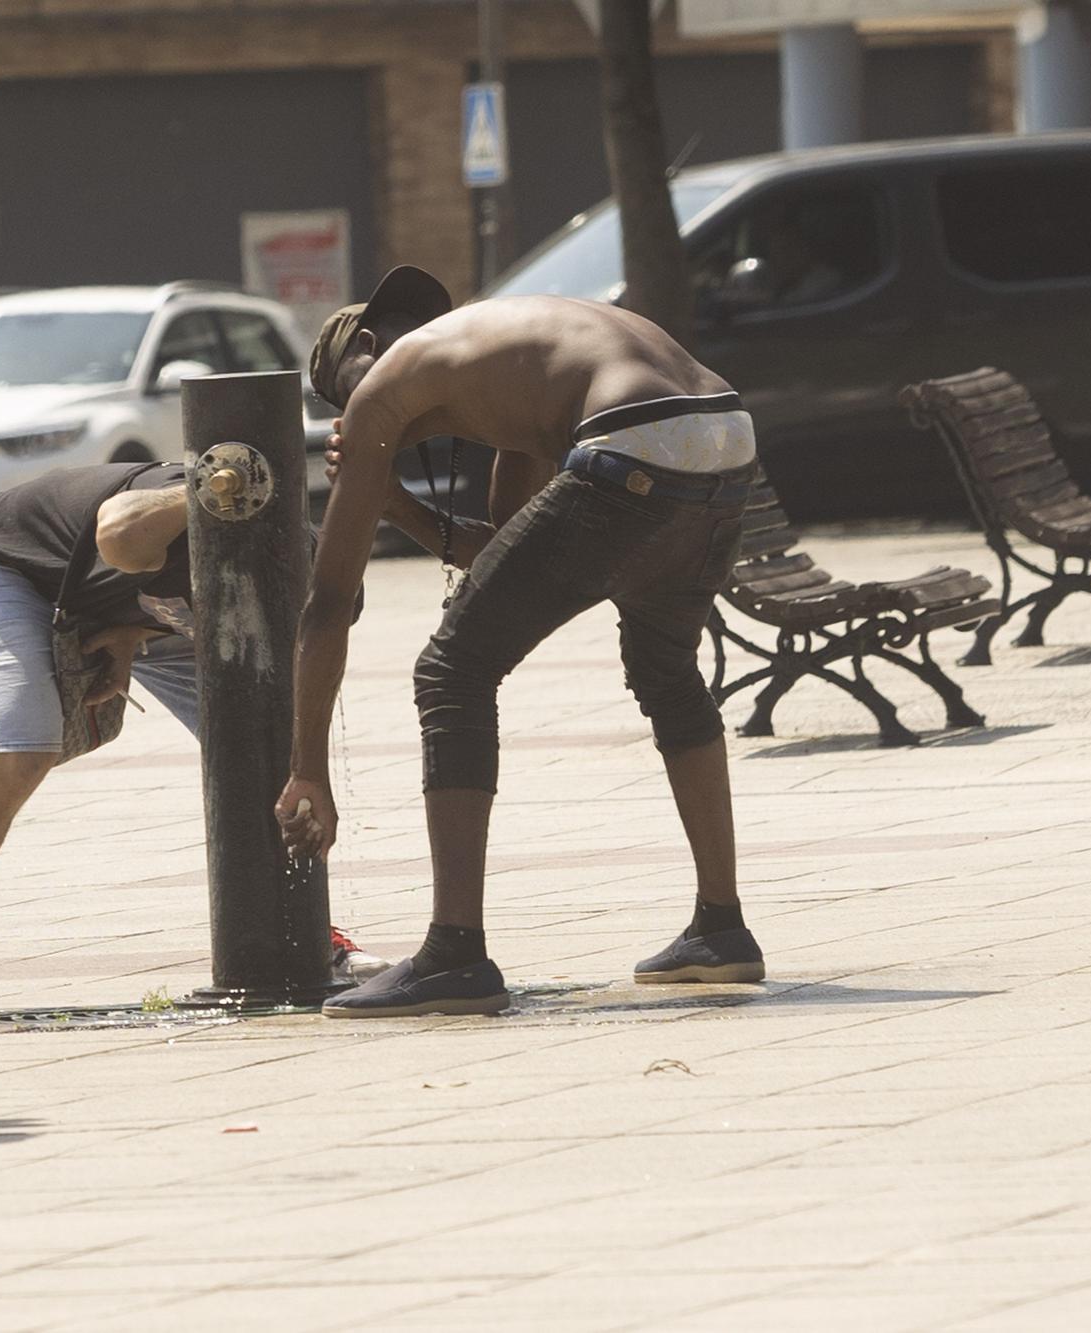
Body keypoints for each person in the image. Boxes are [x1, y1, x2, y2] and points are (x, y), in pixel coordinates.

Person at [276, 266, 762, 1019]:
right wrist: (401, 505)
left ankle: (454, 953)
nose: (375, 432)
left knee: (451, 671)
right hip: (726, 432)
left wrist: (307, 768)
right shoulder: (513, 358)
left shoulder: (384, 385)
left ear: (368, 348)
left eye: (348, 401)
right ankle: (722, 929)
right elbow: (510, 550)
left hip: (634, 434)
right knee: (665, 669)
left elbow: (328, 601)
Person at [0, 462, 390, 1014]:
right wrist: (207, 492)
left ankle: (309, 936)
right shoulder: (183, 513)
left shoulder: (325, 590)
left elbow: (305, 699)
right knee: (25, 750)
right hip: (12, 565)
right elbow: (120, 536)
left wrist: (134, 631)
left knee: (262, 749)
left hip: (123, 599)